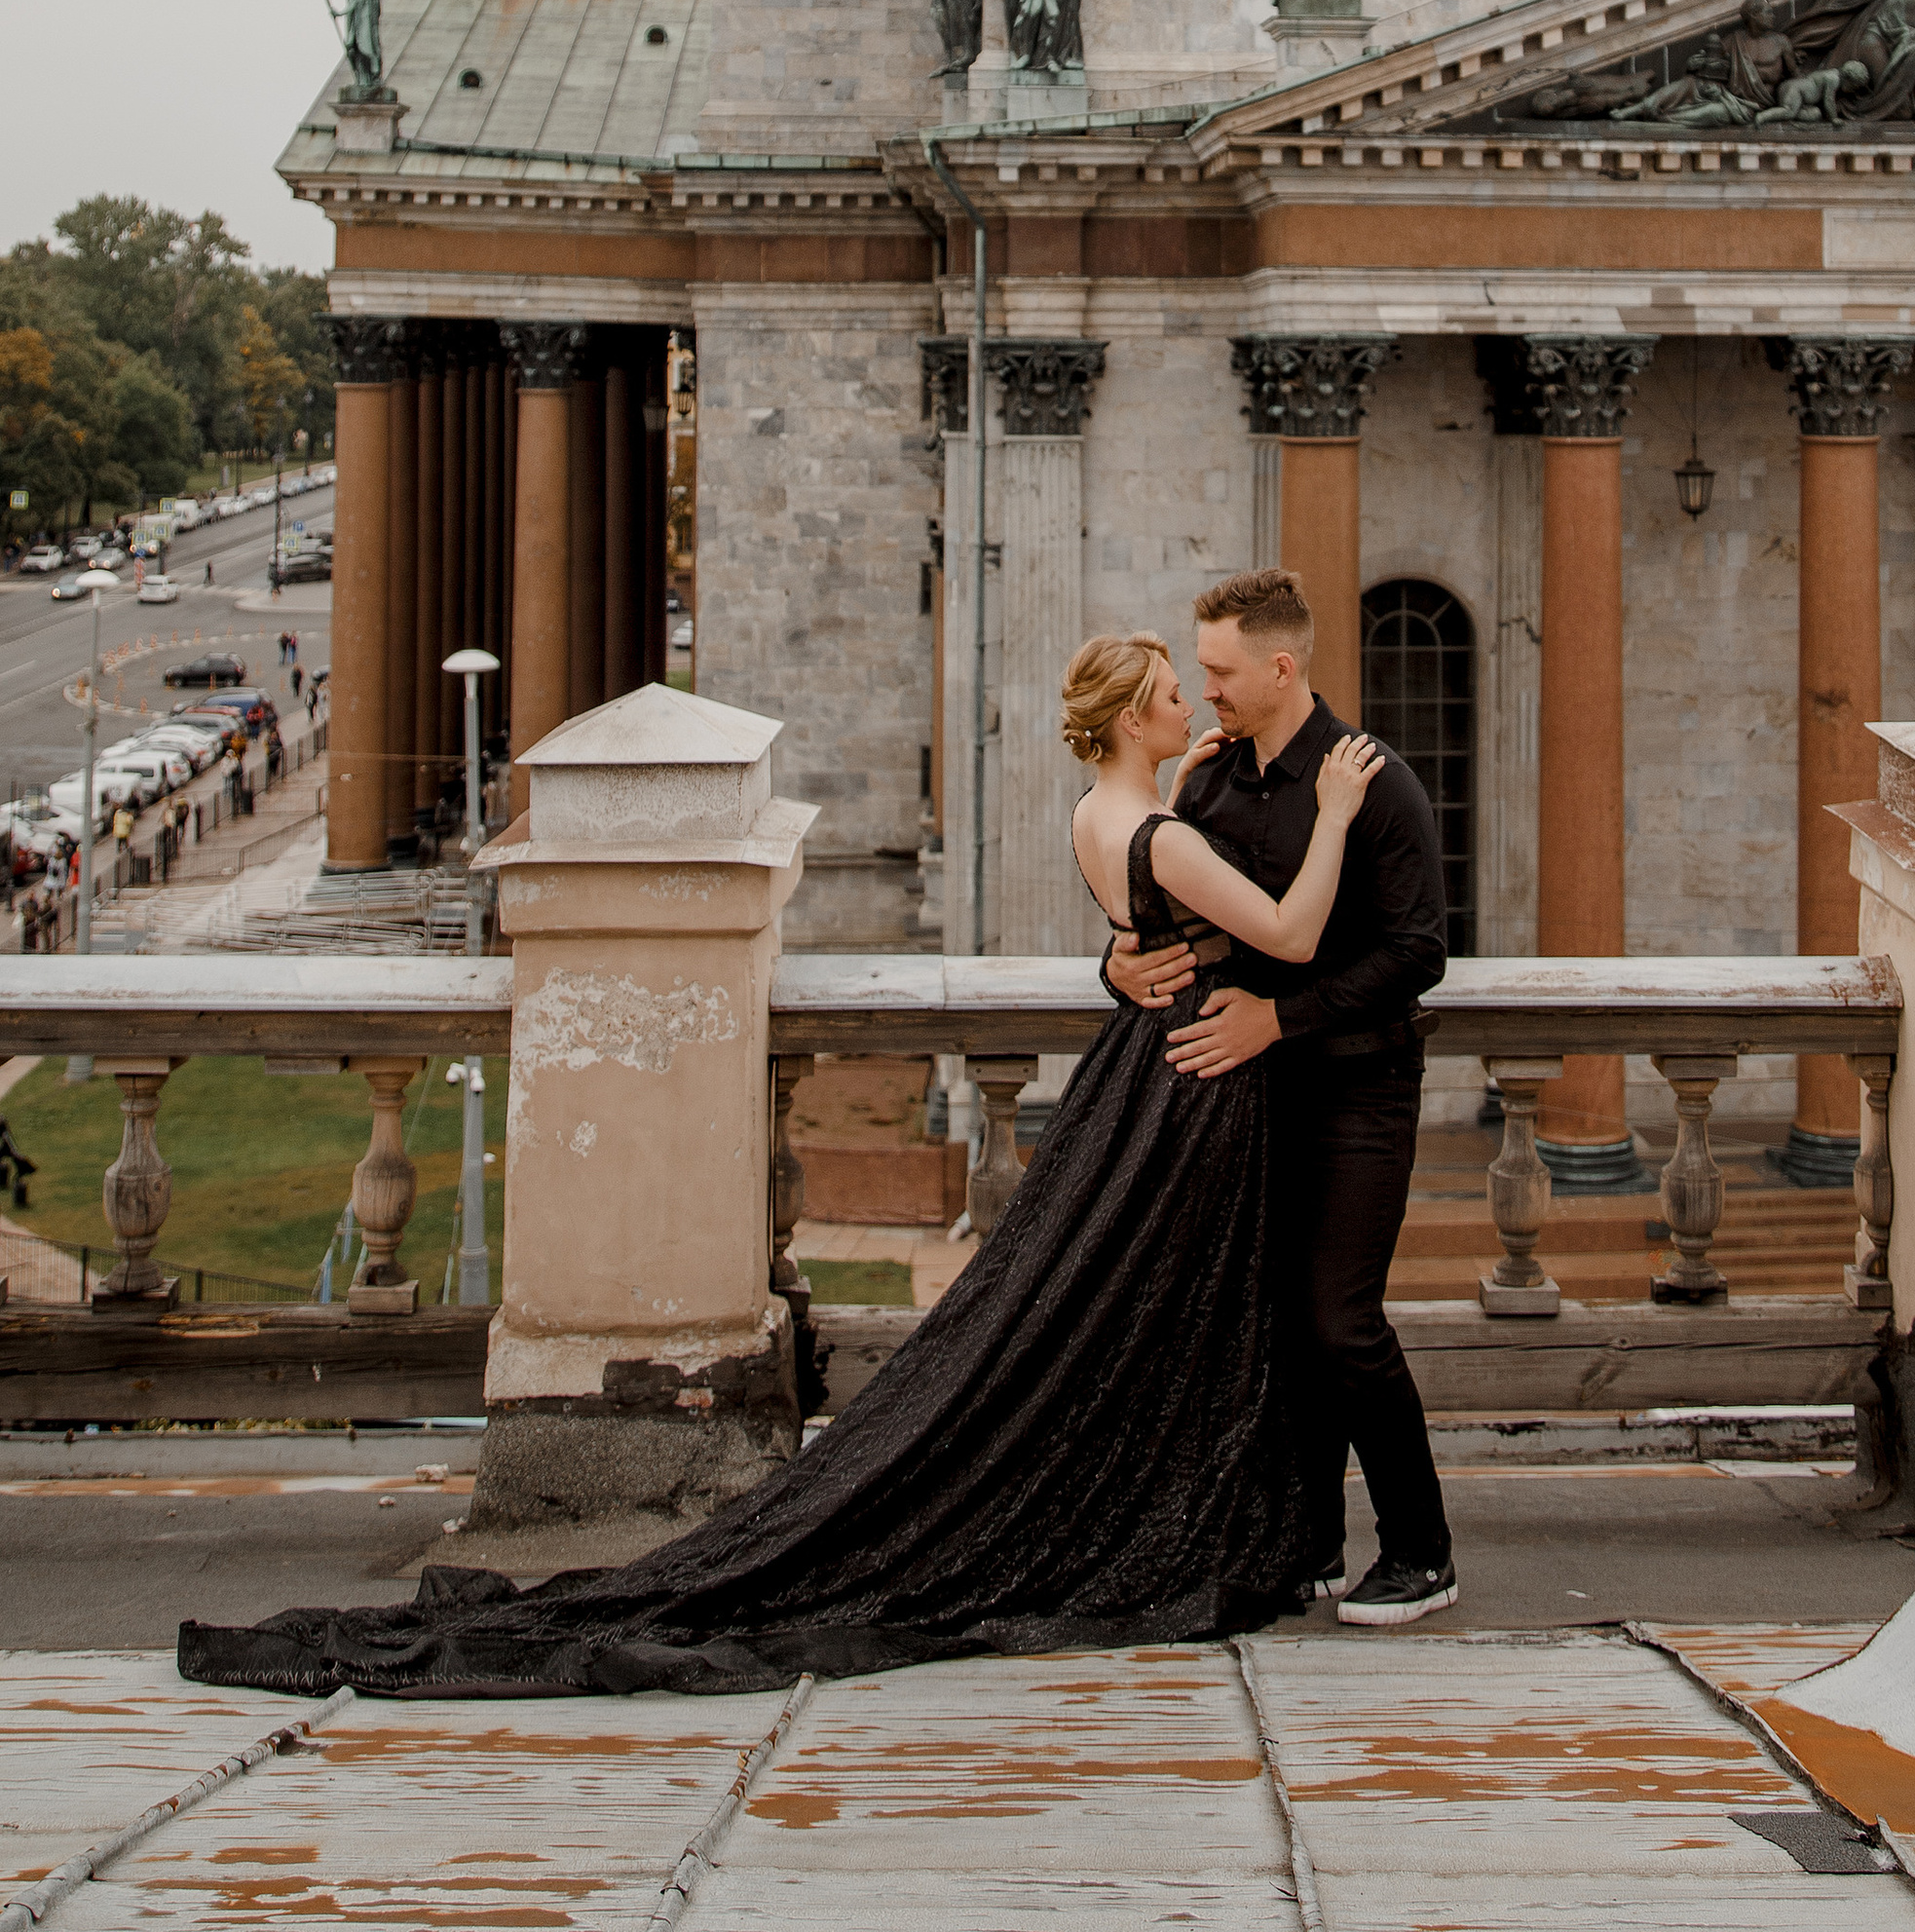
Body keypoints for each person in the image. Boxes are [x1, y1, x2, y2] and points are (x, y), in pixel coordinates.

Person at [179, 629, 1381, 1699]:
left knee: (1100, 1317)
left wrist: (1125, 949)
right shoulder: (1161, 828)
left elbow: (1137, 913)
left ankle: (1197, 1506)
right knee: (1155, 1317)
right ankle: (1183, 1518)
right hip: (1192, 1090)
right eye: (1177, 691)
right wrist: (1329, 817)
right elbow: (1285, 934)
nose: (1194, 702)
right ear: (1133, 719)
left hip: (1142, 1072)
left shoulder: (1096, 816)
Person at [1106, 567, 1454, 1627]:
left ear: (1280, 665)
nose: (1204, 687)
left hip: (1359, 1090)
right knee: (1270, 1322)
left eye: (1217, 670)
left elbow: (1419, 953)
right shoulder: (1207, 780)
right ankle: (1301, 1543)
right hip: (1245, 1101)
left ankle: (1424, 1554)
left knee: (1339, 1323)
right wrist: (1116, 966)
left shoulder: (1373, 781)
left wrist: (1281, 1018)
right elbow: (1175, 921)